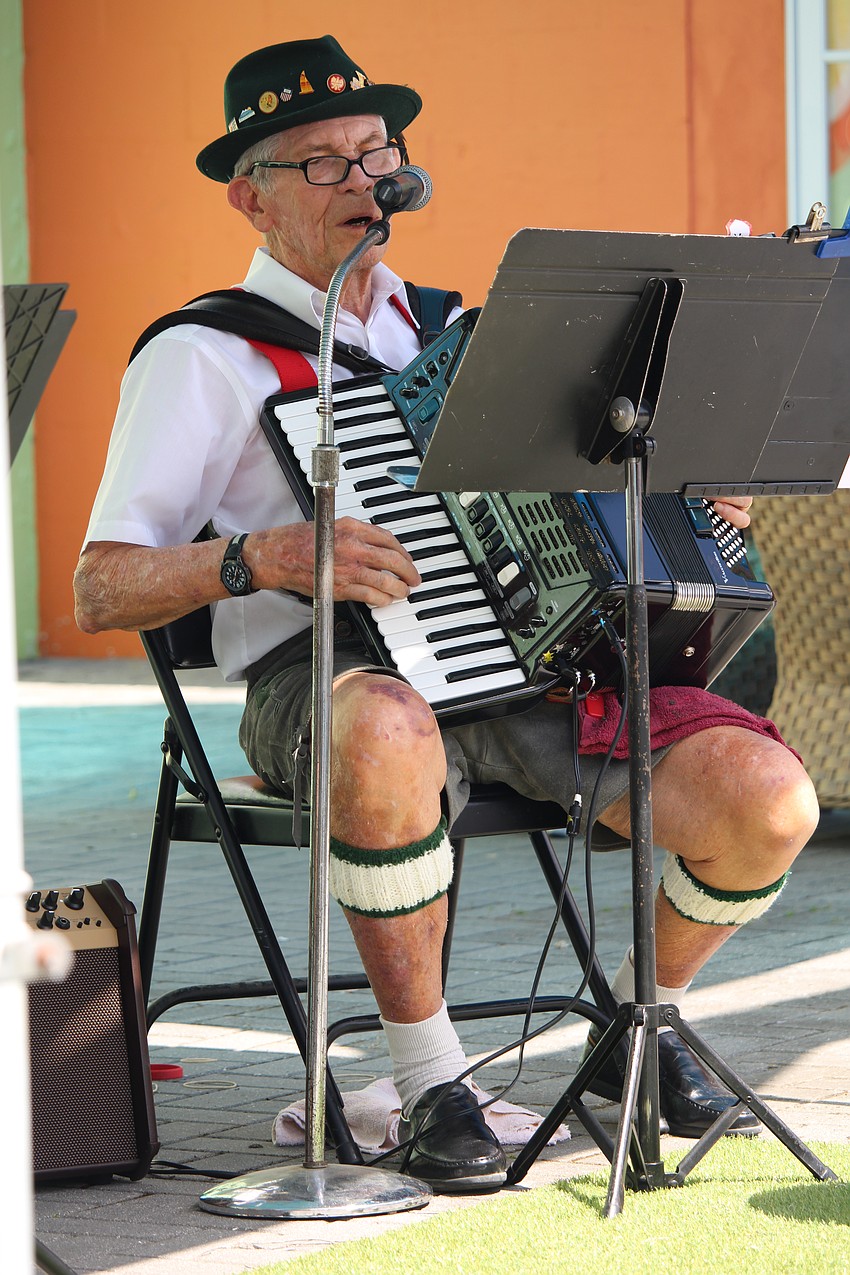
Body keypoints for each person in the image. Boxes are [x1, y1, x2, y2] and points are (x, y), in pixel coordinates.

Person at [74, 35, 820, 1194]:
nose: (363, 179)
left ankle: (643, 1031)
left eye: (376, 152)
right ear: (247, 193)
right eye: (320, 163)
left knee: (768, 802)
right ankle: (431, 1085)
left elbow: (574, 500)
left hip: (523, 666)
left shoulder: (458, 329)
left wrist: (688, 493)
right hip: (324, 678)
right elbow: (99, 582)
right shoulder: (201, 355)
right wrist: (265, 555)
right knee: (384, 726)